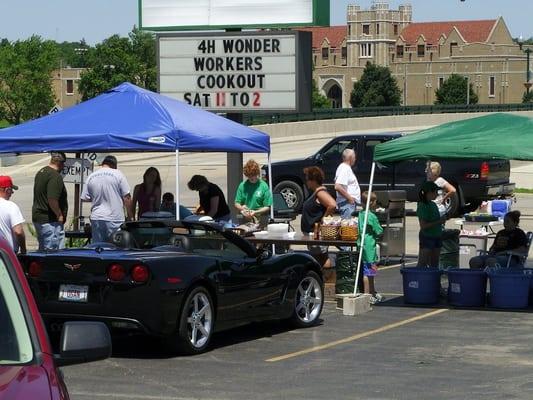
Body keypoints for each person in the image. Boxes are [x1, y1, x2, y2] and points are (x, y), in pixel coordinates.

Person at [81, 155, 134, 243]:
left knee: (99, 248)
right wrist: (130, 216)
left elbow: (85, 197)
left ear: (103, 164)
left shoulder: (91, 176)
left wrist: (98, 197)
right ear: (114, 165)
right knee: (116, 247)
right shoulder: (118, 174)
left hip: (97, 217)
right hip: (114, 218)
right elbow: (127, 197)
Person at [300, 167, 337, 268]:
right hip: (312, 234)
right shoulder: (316, 192)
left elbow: (332, 205)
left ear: (313, 180)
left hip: (316, 233)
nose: (306, 182)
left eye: (307, 179)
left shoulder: (320, 193)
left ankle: (325, 280)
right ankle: (323, 280)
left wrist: (323, 221)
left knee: (321, 257)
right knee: (318, 257)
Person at [32, 152, 68, 250]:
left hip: (39, 218)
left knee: (43, 250)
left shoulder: (41, 172)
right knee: (53, 252)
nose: (64, 166)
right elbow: (52, 199)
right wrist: (59, 214)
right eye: (63, 163)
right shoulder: (55, 176)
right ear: (60, 163)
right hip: (50, 220)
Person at [357, 191, 384, 303]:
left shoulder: (361, 214)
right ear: (371, 203)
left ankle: (372, 292)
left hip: (362, 245)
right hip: (370, 246)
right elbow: (379, 231)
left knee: (368, 270)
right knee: (369, 271)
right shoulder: (372, 216)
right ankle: (368, 294)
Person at [417, 181, 447, 267]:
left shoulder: (433, 204)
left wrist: (443, 218)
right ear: (429, 193)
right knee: (423, 262)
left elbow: (436, 219)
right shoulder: (423, 206)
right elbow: (423, 226)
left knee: (434, 263)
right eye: (435, 192)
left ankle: (432, 279)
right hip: (427, 236)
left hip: (437, 235)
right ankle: (419, 278)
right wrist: (439, 221)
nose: (437, 194)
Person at [234, 159, 272, 227]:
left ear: (257, 173)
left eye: (253, 175)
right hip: (245, 217)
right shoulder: (242, 185)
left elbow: (267, 207)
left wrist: (255, 212)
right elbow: (237, 203)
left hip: (260, 218)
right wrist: (242, 208)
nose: (251, 177)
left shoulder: (263, 186)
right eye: (249, 175)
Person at [0, 176, 26, 254]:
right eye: (11, 190)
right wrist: (23, 250)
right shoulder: (11, 206)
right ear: (7, 190)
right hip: (7, 255)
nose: (12, 193)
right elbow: (18, 231)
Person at [334, 148, 361, 219]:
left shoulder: (345, 168)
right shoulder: (345, 168)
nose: (355, 159)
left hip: (348, 203)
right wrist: (350, 199)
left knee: (349, 228)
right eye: (354, 157)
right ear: (350, 158)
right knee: (347, 228)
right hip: (347, 204)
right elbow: (337, 186)